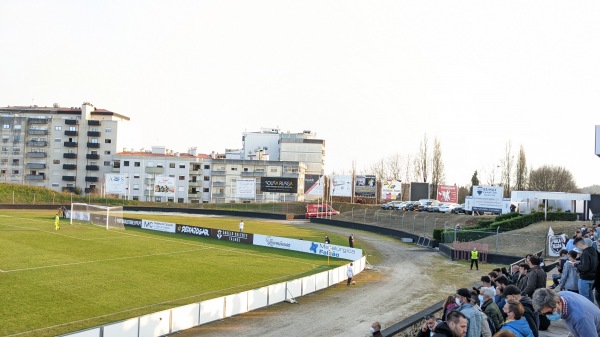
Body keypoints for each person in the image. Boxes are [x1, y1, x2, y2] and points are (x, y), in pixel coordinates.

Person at [532, 288, 600, 337]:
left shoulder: (580, 318)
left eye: (549, 312)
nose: (547, 316)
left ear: (558, 302)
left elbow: (581, 325)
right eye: (544, 314)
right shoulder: (560, 295)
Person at [572, 237, 597, 303]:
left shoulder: (585, 253)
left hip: (585, 278)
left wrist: (575, 265)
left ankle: (587, 312)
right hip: (592, 277)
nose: (578, 248)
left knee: (584, 298)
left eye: (577, 246)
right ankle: (592, 309)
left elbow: (585, 268)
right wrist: (579, 263)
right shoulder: (594, 251)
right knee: (590, 295)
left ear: (580, 245)